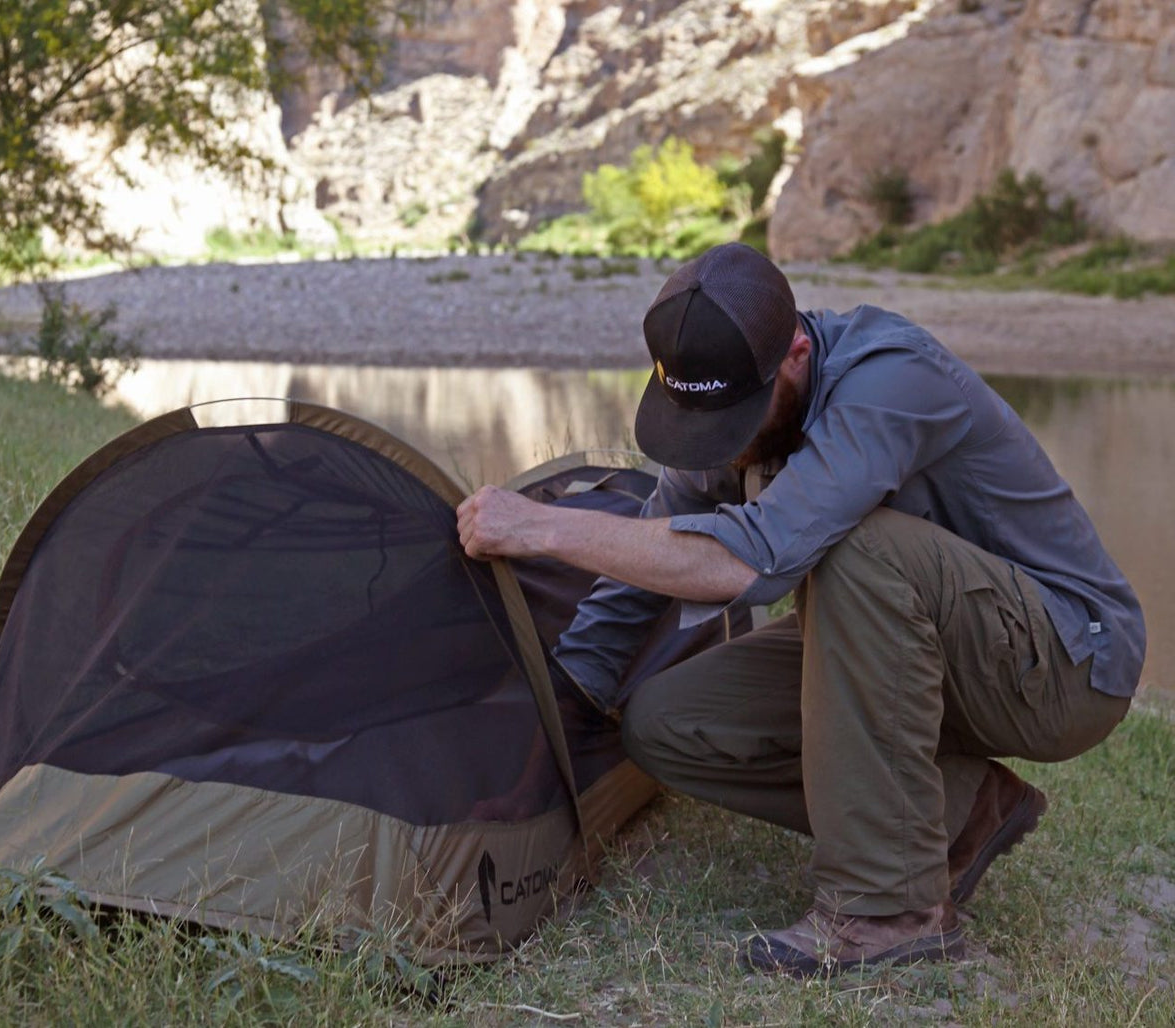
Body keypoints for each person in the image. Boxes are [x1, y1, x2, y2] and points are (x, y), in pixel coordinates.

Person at [456, 242, 1145, 978]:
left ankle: (891, 909)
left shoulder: (890, 380)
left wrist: (546, 527)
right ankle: (960, 813)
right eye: (707, 422)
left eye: (742, 417)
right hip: (921, 660)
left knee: (858, 548)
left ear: (795, 350)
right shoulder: (723, 413)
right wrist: (548, 730)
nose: (728, 445)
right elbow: (633, 591)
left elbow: (757, 555)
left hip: (1064, 668)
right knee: (666, 725)